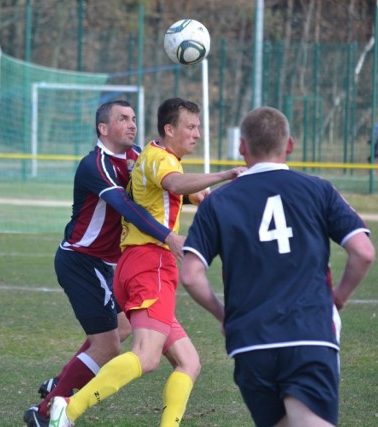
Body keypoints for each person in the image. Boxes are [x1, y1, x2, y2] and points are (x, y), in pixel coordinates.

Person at [48, 97, 242, 427]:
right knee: (139, 354)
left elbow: (167, 188)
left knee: (189, 362)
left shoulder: (143, 153)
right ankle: (66, 406)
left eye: (133, 117)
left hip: (130, 262)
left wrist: (197, 194)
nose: (197, 134)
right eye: (190, 127)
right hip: (123, 260)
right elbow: (146, 196)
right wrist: (222, 176)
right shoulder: (105, 164)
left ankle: (63, 390)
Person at [179, 106, 376, 426]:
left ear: (242, 147)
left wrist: (224, 314)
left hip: (251, 341)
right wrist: (337, 297)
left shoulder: (218, 201)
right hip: (308, 333)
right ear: (290, 145)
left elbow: (190, 275)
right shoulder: (318, 189)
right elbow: (363, 252)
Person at [23, 100, 187, 427]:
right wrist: (168, 236)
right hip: (81, 260)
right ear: (103, 128)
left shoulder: (135, 155)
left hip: (106, 264)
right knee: (108, 344)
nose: (132, 124)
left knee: (122, 327)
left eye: (134, 118)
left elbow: (163, 181)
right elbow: (125, 206)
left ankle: (62, 382)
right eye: (123, 119)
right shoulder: (94, 165)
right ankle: (46, 414)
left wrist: (202, 195)